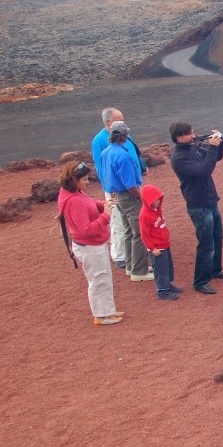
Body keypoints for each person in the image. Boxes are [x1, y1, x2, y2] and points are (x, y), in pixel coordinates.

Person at [169, 122, 223, 295]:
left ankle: (216, 270)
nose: (193, 135)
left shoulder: (192, 148)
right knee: (206, 245)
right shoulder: (178, 158)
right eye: (189, 133)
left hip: (210, 200)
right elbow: (204, 170)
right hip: (199, 206)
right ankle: (200, 282)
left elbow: (215, 158)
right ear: (179, 137)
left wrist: (218, 146)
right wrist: (212, 148)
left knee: (217, 238)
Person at [56, 162, 123, 325]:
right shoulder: (75, 201)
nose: (88, 182)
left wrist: (102, 204)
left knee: (103, 277)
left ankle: (107, 310)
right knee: (99, 279)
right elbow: (87, 229)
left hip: (91, 246)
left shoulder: (74, 194)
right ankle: (101, 315)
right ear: (74, 180)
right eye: (85, 179)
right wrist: (106, 215)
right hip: (90, 247)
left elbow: (90, 202)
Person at [91, 107, 147, 269]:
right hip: (119, 189)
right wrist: (108, 189)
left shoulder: (118, 139)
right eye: (119, 119)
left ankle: (130, 258)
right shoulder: (99, 141)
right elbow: (101, 167)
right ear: (108, 122)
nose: (123, 122)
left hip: (124, 186)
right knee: (120, 223)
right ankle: (120, 255)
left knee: (126, 224)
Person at [99, 121, 152, 282]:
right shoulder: (122, 155)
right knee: (139, 233)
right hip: (129, 197)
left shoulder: (106, 152)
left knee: (128, 232)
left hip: (116, 196)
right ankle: (139, 271)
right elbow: (130, 185)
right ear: (123, 136)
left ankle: (131, 265)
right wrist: (143, 197)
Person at [138, 183, 183, 301]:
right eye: (155, 199)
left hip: (164, 244)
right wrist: (152, 249)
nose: (158, 201)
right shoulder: (144, 215)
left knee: (167, 266)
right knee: (160, 269)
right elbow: (144, 235)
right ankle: (162, 290)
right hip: (157, 248)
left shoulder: (156, 209)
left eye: (158, 199)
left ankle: (167, 285)